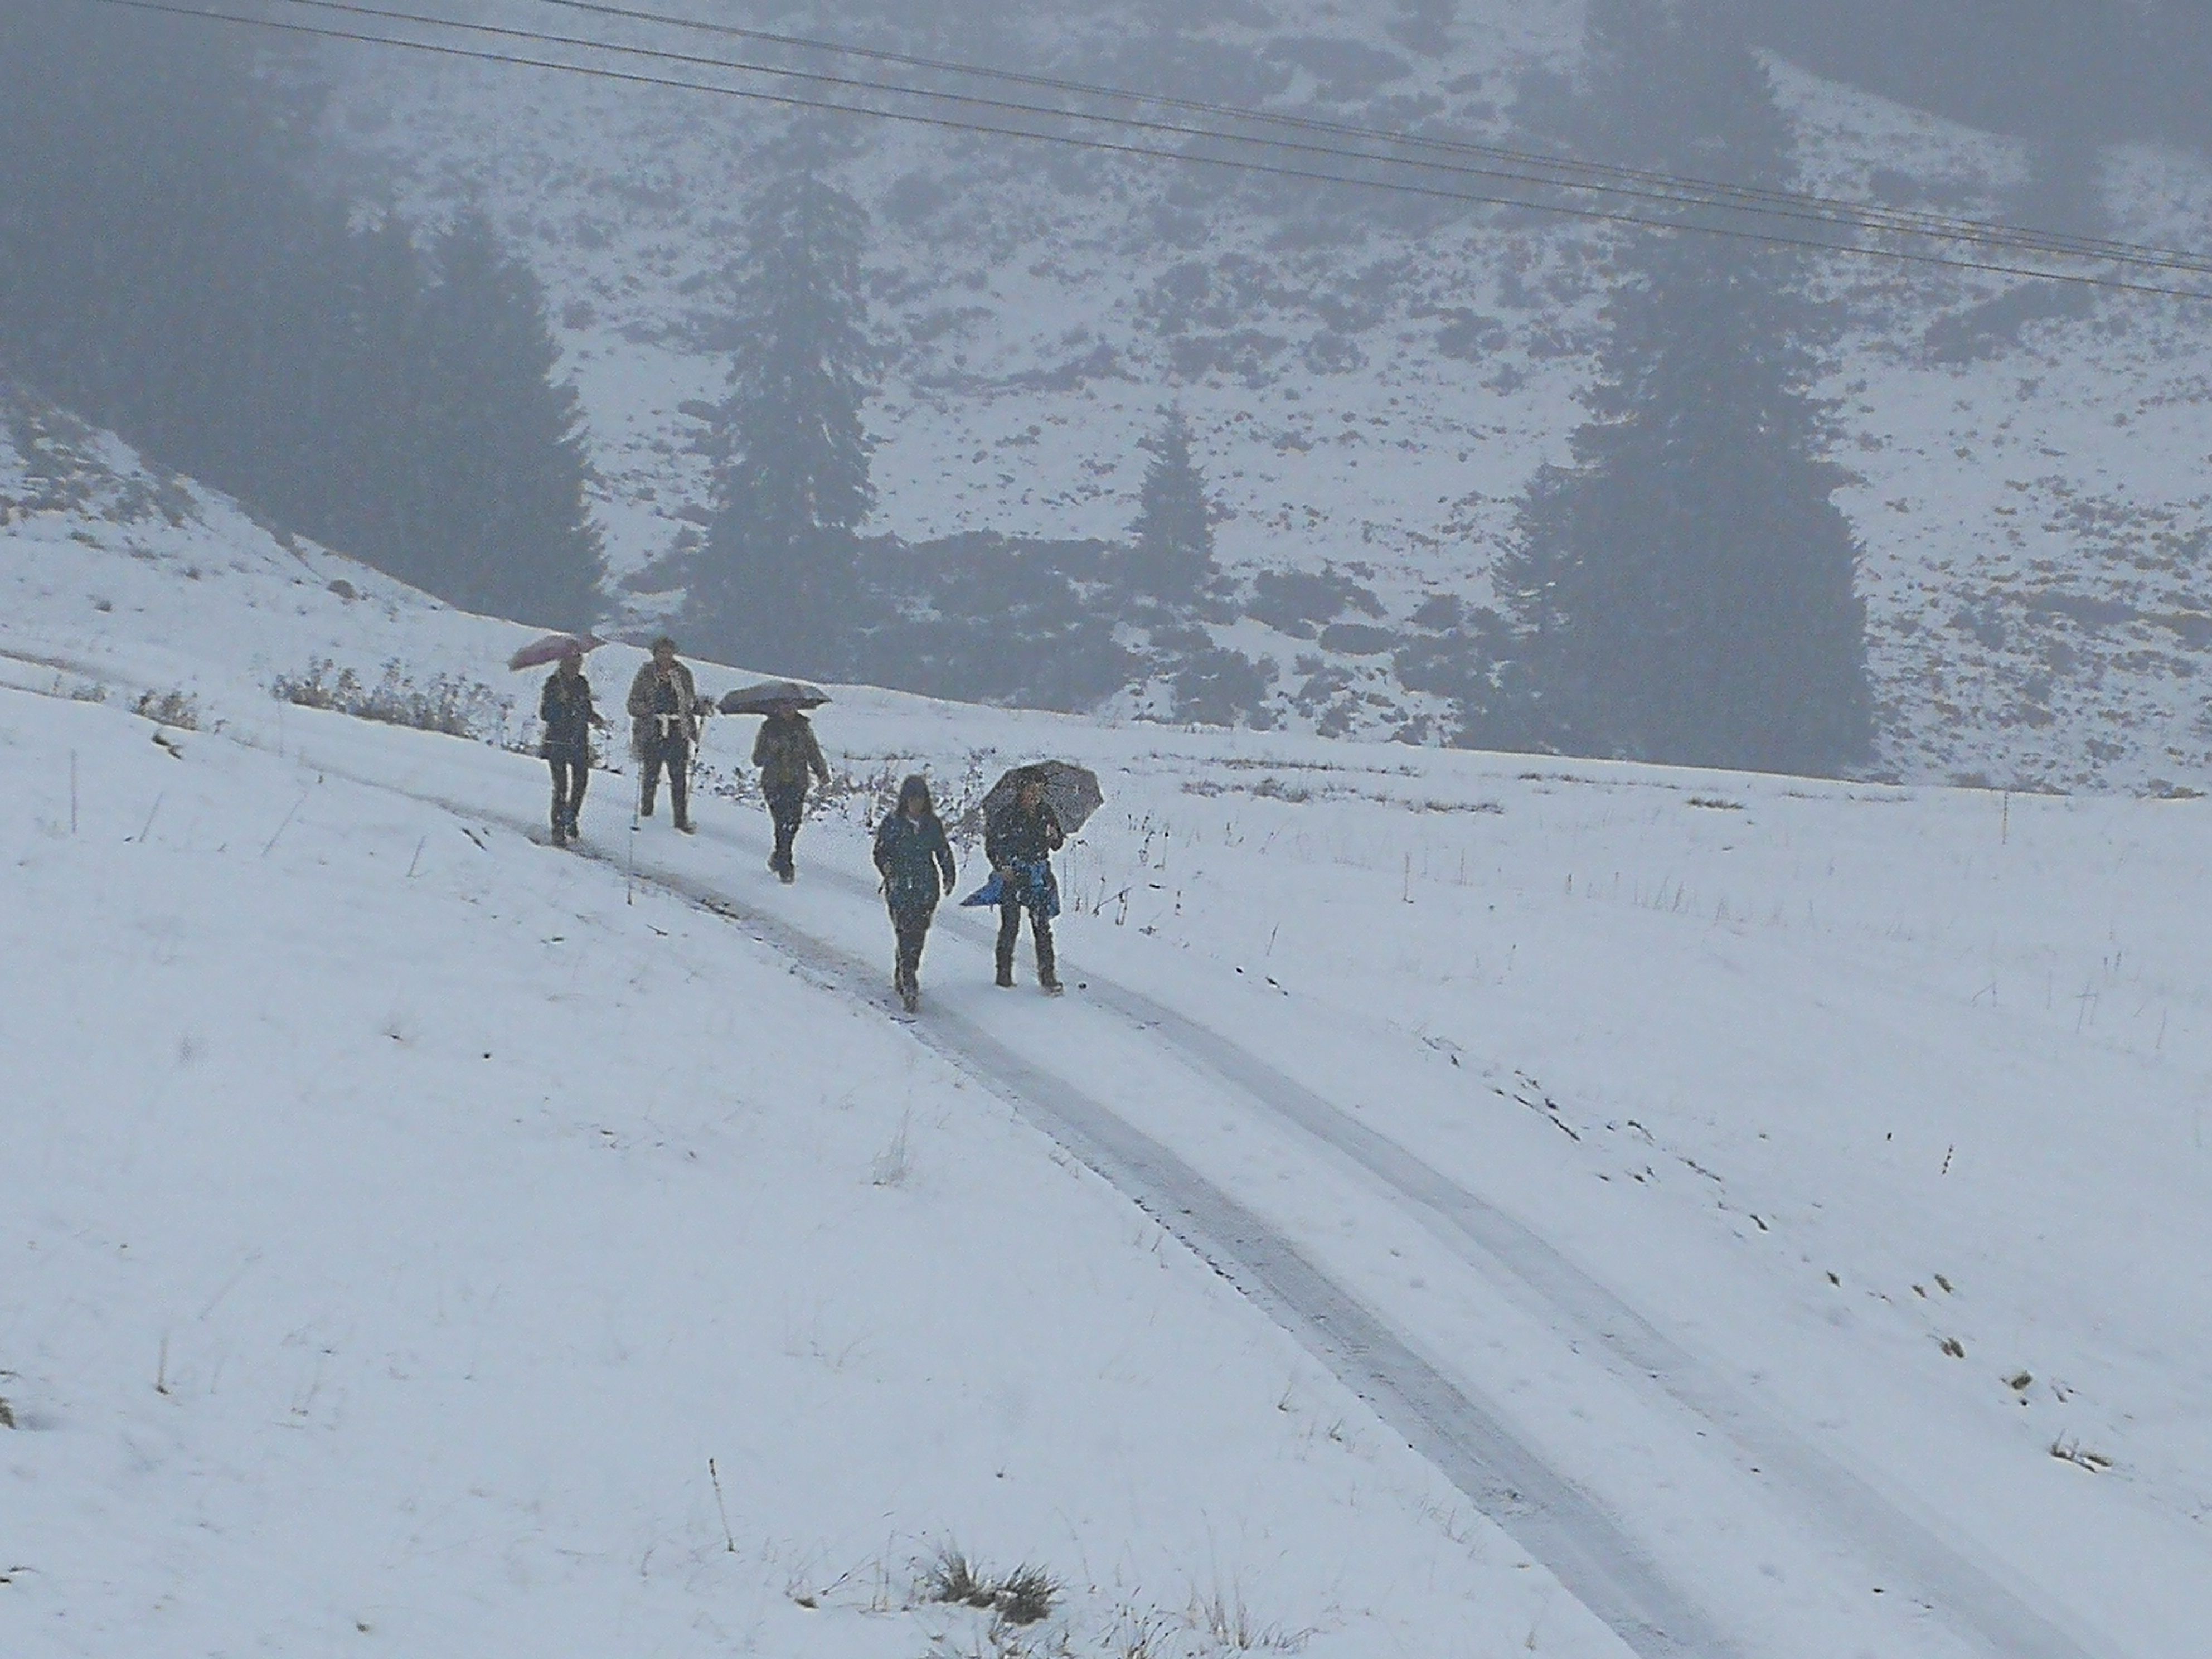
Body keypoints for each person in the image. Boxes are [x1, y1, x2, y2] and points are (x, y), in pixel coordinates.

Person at [872, 774, 958, 1013]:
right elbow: (880, 852)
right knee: (904, 931)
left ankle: (907, 968)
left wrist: (949, 875)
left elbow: (943, 851)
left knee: (918, 936)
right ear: (904, 800)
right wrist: (887, 868)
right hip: (900, 888)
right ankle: (908, 979)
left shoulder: (932, 825)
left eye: (920, 800)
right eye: (912, 800)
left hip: (925, 889)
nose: (916, 805)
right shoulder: (892, 824)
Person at [984, 768, 1065, 993]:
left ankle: (1048, 977)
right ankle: (1004, 975)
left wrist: (1054, 837)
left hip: (1038, 876)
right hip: (1013, 876)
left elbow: (1058, 845)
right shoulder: (1007, 815)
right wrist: (1003, 867)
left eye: (1040, 790)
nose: (1035, 795)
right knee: (1010, 926)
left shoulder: (1046, 813)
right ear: (1021, 790)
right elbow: (993, 846)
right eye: (1031, 789)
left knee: (1042, 927)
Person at [627, 637, 700, 833]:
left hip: (678, 730)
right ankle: (646, 812)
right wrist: (649, 711)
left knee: (679, 778)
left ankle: (681, 820)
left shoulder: (684, 674)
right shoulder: (646, 674)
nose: (665, 657)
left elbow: (690, 702)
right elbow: (633, 703)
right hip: (653, 730)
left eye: (668, 652)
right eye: (662, 652)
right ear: (655, 654)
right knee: (651, 773)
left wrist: (698, 709)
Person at [752, 704, 831, 881]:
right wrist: (771, 751)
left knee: (793, 823)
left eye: (791, 707)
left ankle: (780, 855)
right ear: (778, 709)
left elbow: (813, 752)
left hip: (797, 783)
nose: (788, 710)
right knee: (781, 822)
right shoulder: (769, 728)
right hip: (774, 783)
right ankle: (786, 865)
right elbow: (757, 759)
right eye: (784, 707)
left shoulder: (803, 729)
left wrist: (822, 773)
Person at [539, 647, 605, 847]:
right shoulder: (553, 684)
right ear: (562, 663)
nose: (574, 668)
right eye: (571, 664)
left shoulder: (582, 684)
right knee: (561, 787)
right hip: (558, 741)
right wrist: (560, 705)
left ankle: (571, 818)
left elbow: (585, 708)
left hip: (578, 741)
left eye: (577, 664)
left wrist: (594, 718)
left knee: (581, 783)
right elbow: (545, 714)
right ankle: (558, 828)